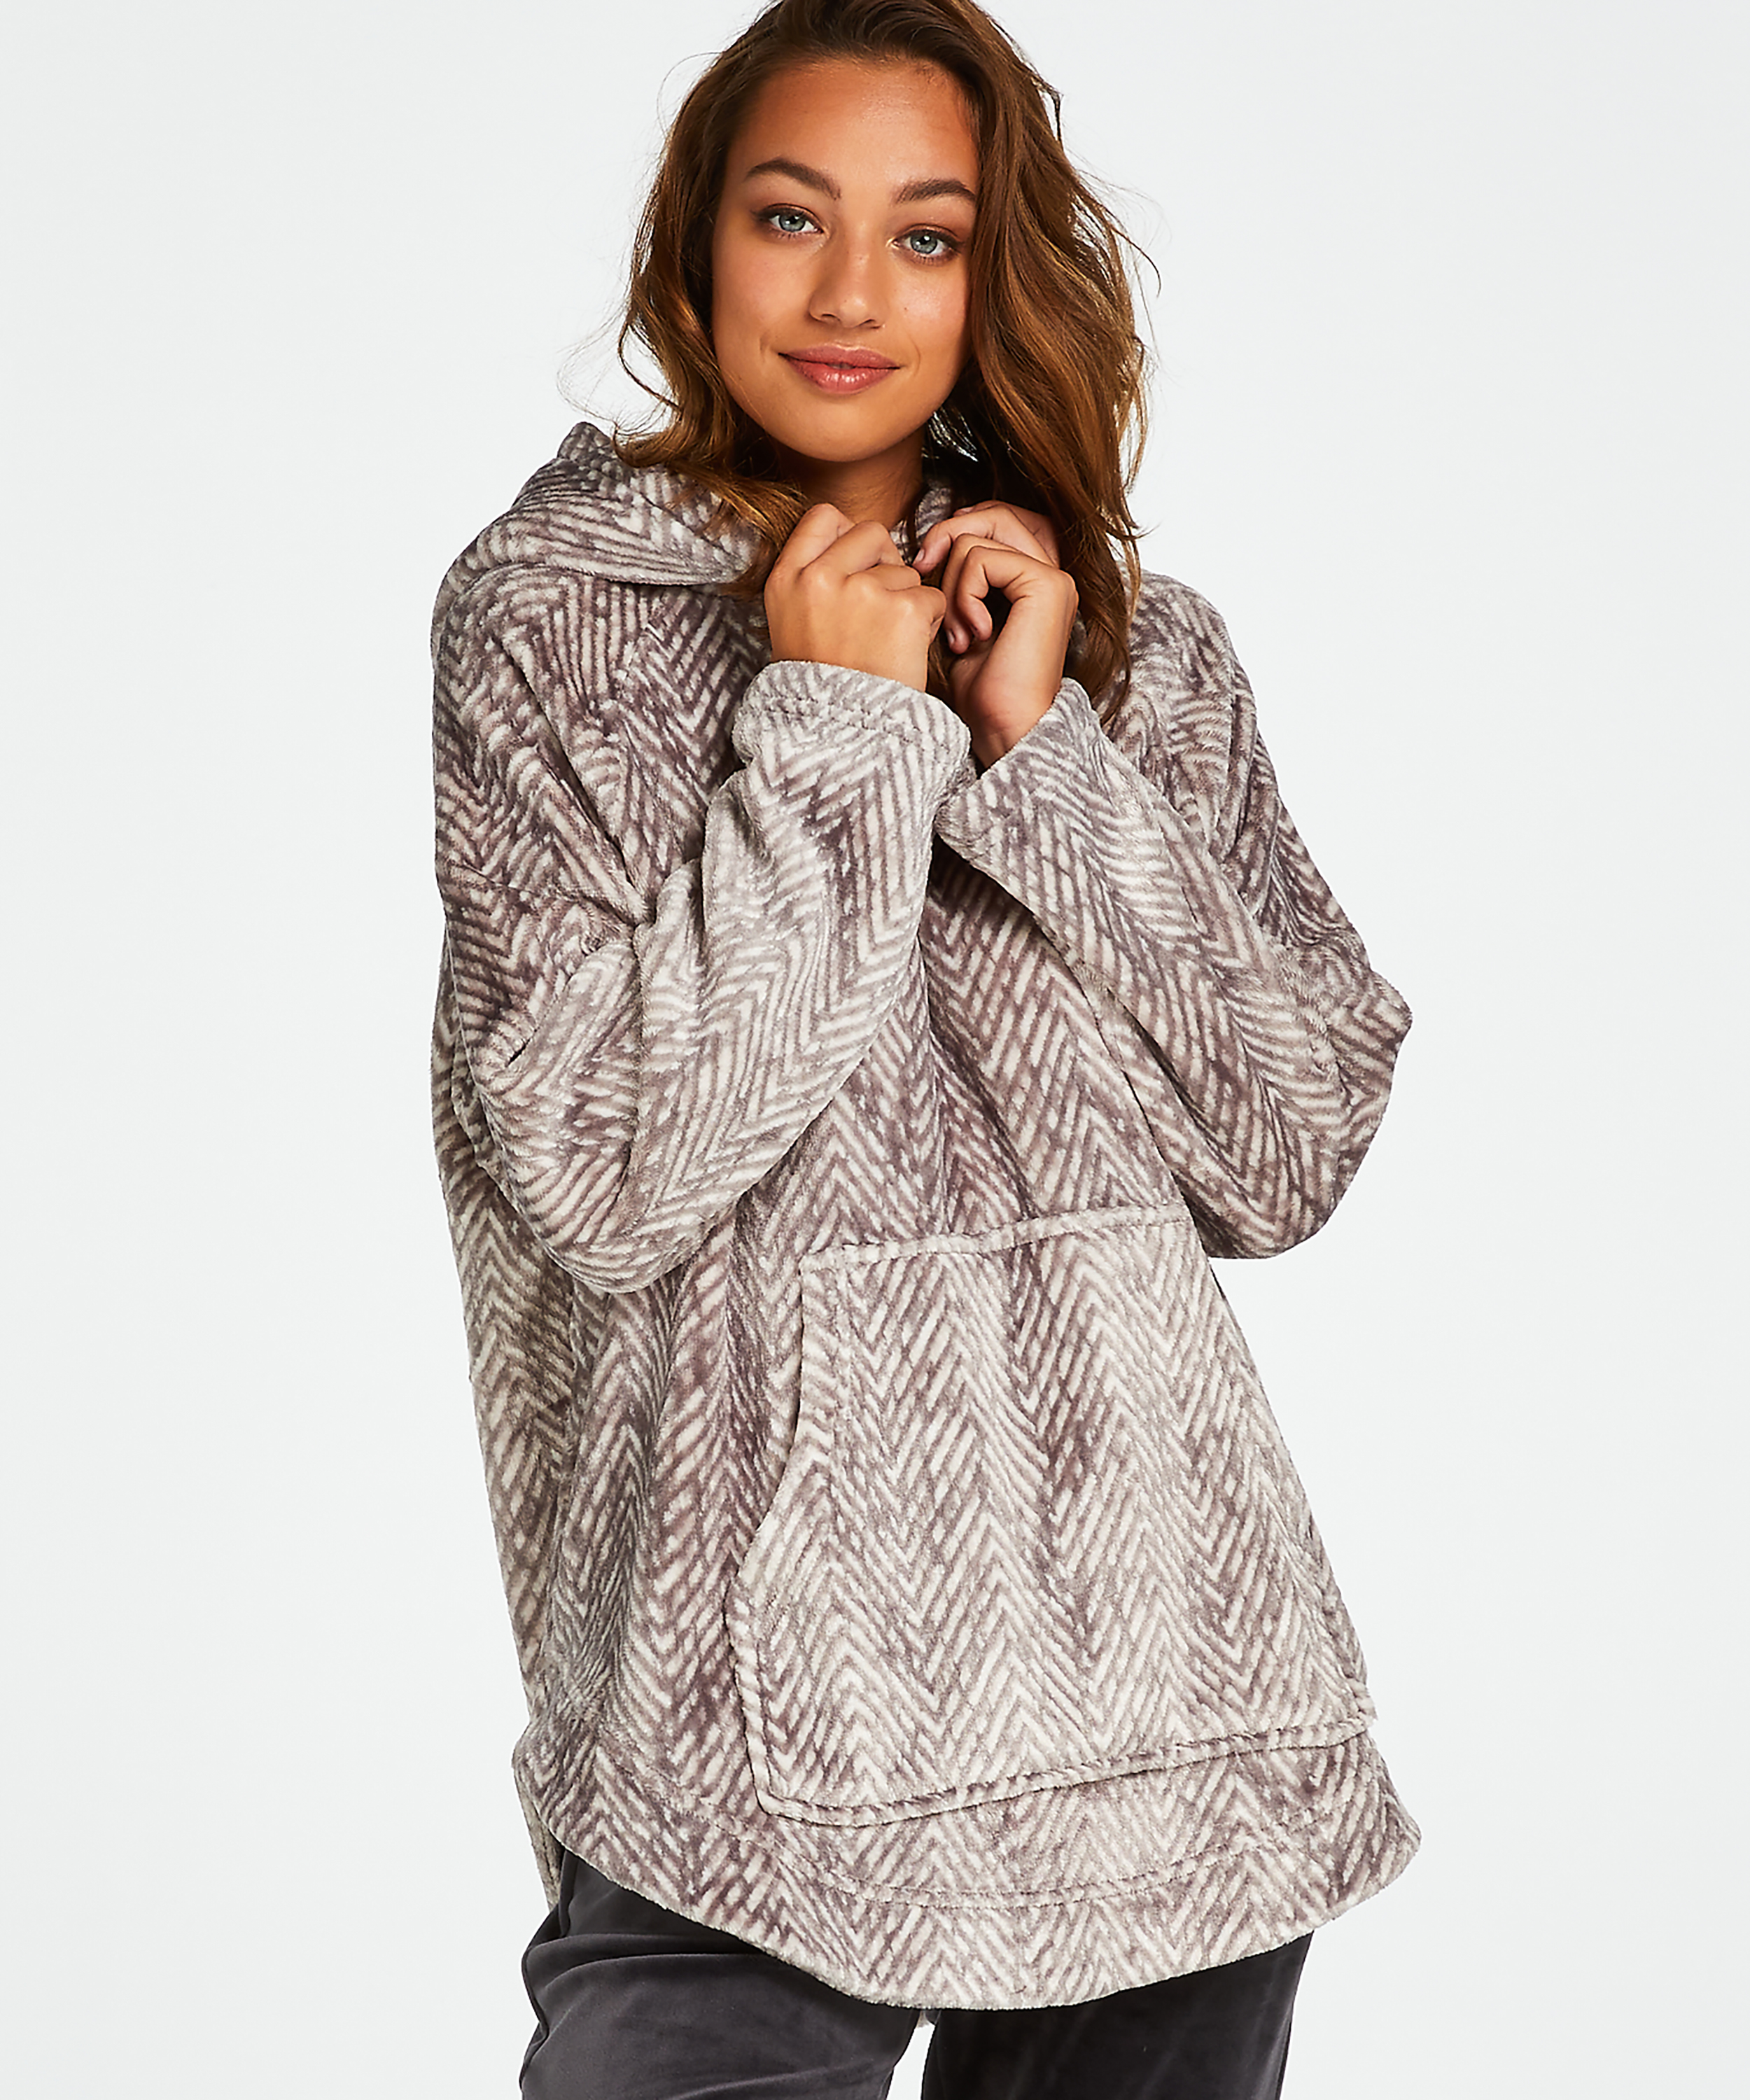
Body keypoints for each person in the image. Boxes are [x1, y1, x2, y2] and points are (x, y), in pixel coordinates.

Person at [429, 1, 1418, 2092]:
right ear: (695, 245)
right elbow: (605, 1172)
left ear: (996, 275)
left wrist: (1039, 752)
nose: (852, 295)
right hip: (735, 1731)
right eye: (791, 217)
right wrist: (841, 729)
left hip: (1171, 1704)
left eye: (929, 234)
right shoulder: (551, 622)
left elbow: (1289, 1146)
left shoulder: (1133, 649)